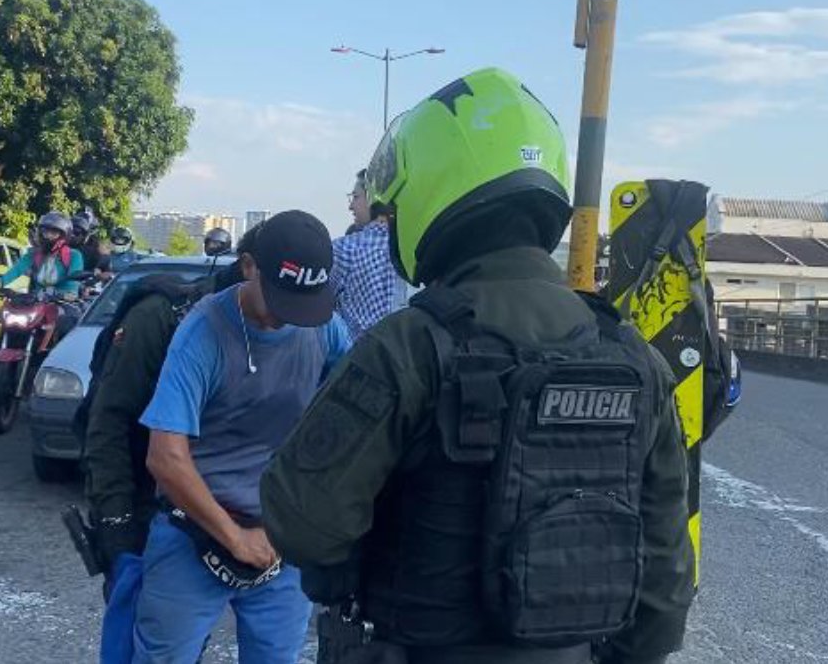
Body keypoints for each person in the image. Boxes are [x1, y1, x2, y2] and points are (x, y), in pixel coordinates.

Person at [261, 68, 695, 664]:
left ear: (432, 190)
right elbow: (664, 584)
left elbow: (302, 520)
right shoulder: (632, 356)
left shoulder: (410, 344)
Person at [131, 210, 352, 663]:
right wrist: (235, 537)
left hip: (281, 535)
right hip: (194, 528)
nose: (288, 317)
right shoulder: (203, 333)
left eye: (302, 303)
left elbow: (354, 408)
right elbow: (165, 457)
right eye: (280, 300)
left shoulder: (323, 326)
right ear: (249, 266)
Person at [81, 226, 258, 664]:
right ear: (248, 270)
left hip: (204, 512)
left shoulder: (264, 330)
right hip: (144, 502)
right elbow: (109, 423)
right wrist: (117, 527)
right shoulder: (160, 319)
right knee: (136, 645)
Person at [331, 170, 409, 340]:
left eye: (355, 197)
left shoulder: (345, 250)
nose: (351, 206)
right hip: (406, 351)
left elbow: (320, 303)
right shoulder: (410, 246)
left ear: (374, 198)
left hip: (358, 352)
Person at [0, 212, 86, 338]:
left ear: (63, 235)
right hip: (36, 301)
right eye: (45, 232)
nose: (48, 236)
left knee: (67, 325)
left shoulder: (74, 255)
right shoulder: (34, 254)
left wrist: (65, 294)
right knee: (10, 322)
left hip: (63, 302)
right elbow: (16, 270)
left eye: (53, 233)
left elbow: (73, 281)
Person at [72, 211, 110, 278]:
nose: (72, 235)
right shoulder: (61, 243)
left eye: (77, 232)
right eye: (72, 230)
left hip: (84, 281)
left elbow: (102, 272)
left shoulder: (98, 249)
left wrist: (96, 272)